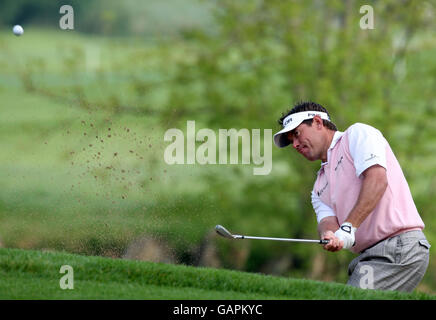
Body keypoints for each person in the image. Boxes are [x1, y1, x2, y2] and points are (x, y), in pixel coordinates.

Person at [273, 101, 430, 292]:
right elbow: (327, 221)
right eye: (291, 141)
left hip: (398, 246)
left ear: (317, 122)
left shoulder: (356, 135)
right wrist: (329, 234)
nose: (295, 144)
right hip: (371, 257)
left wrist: (348, 227)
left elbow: (377, 180)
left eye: (297, 134)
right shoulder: (318, 187)